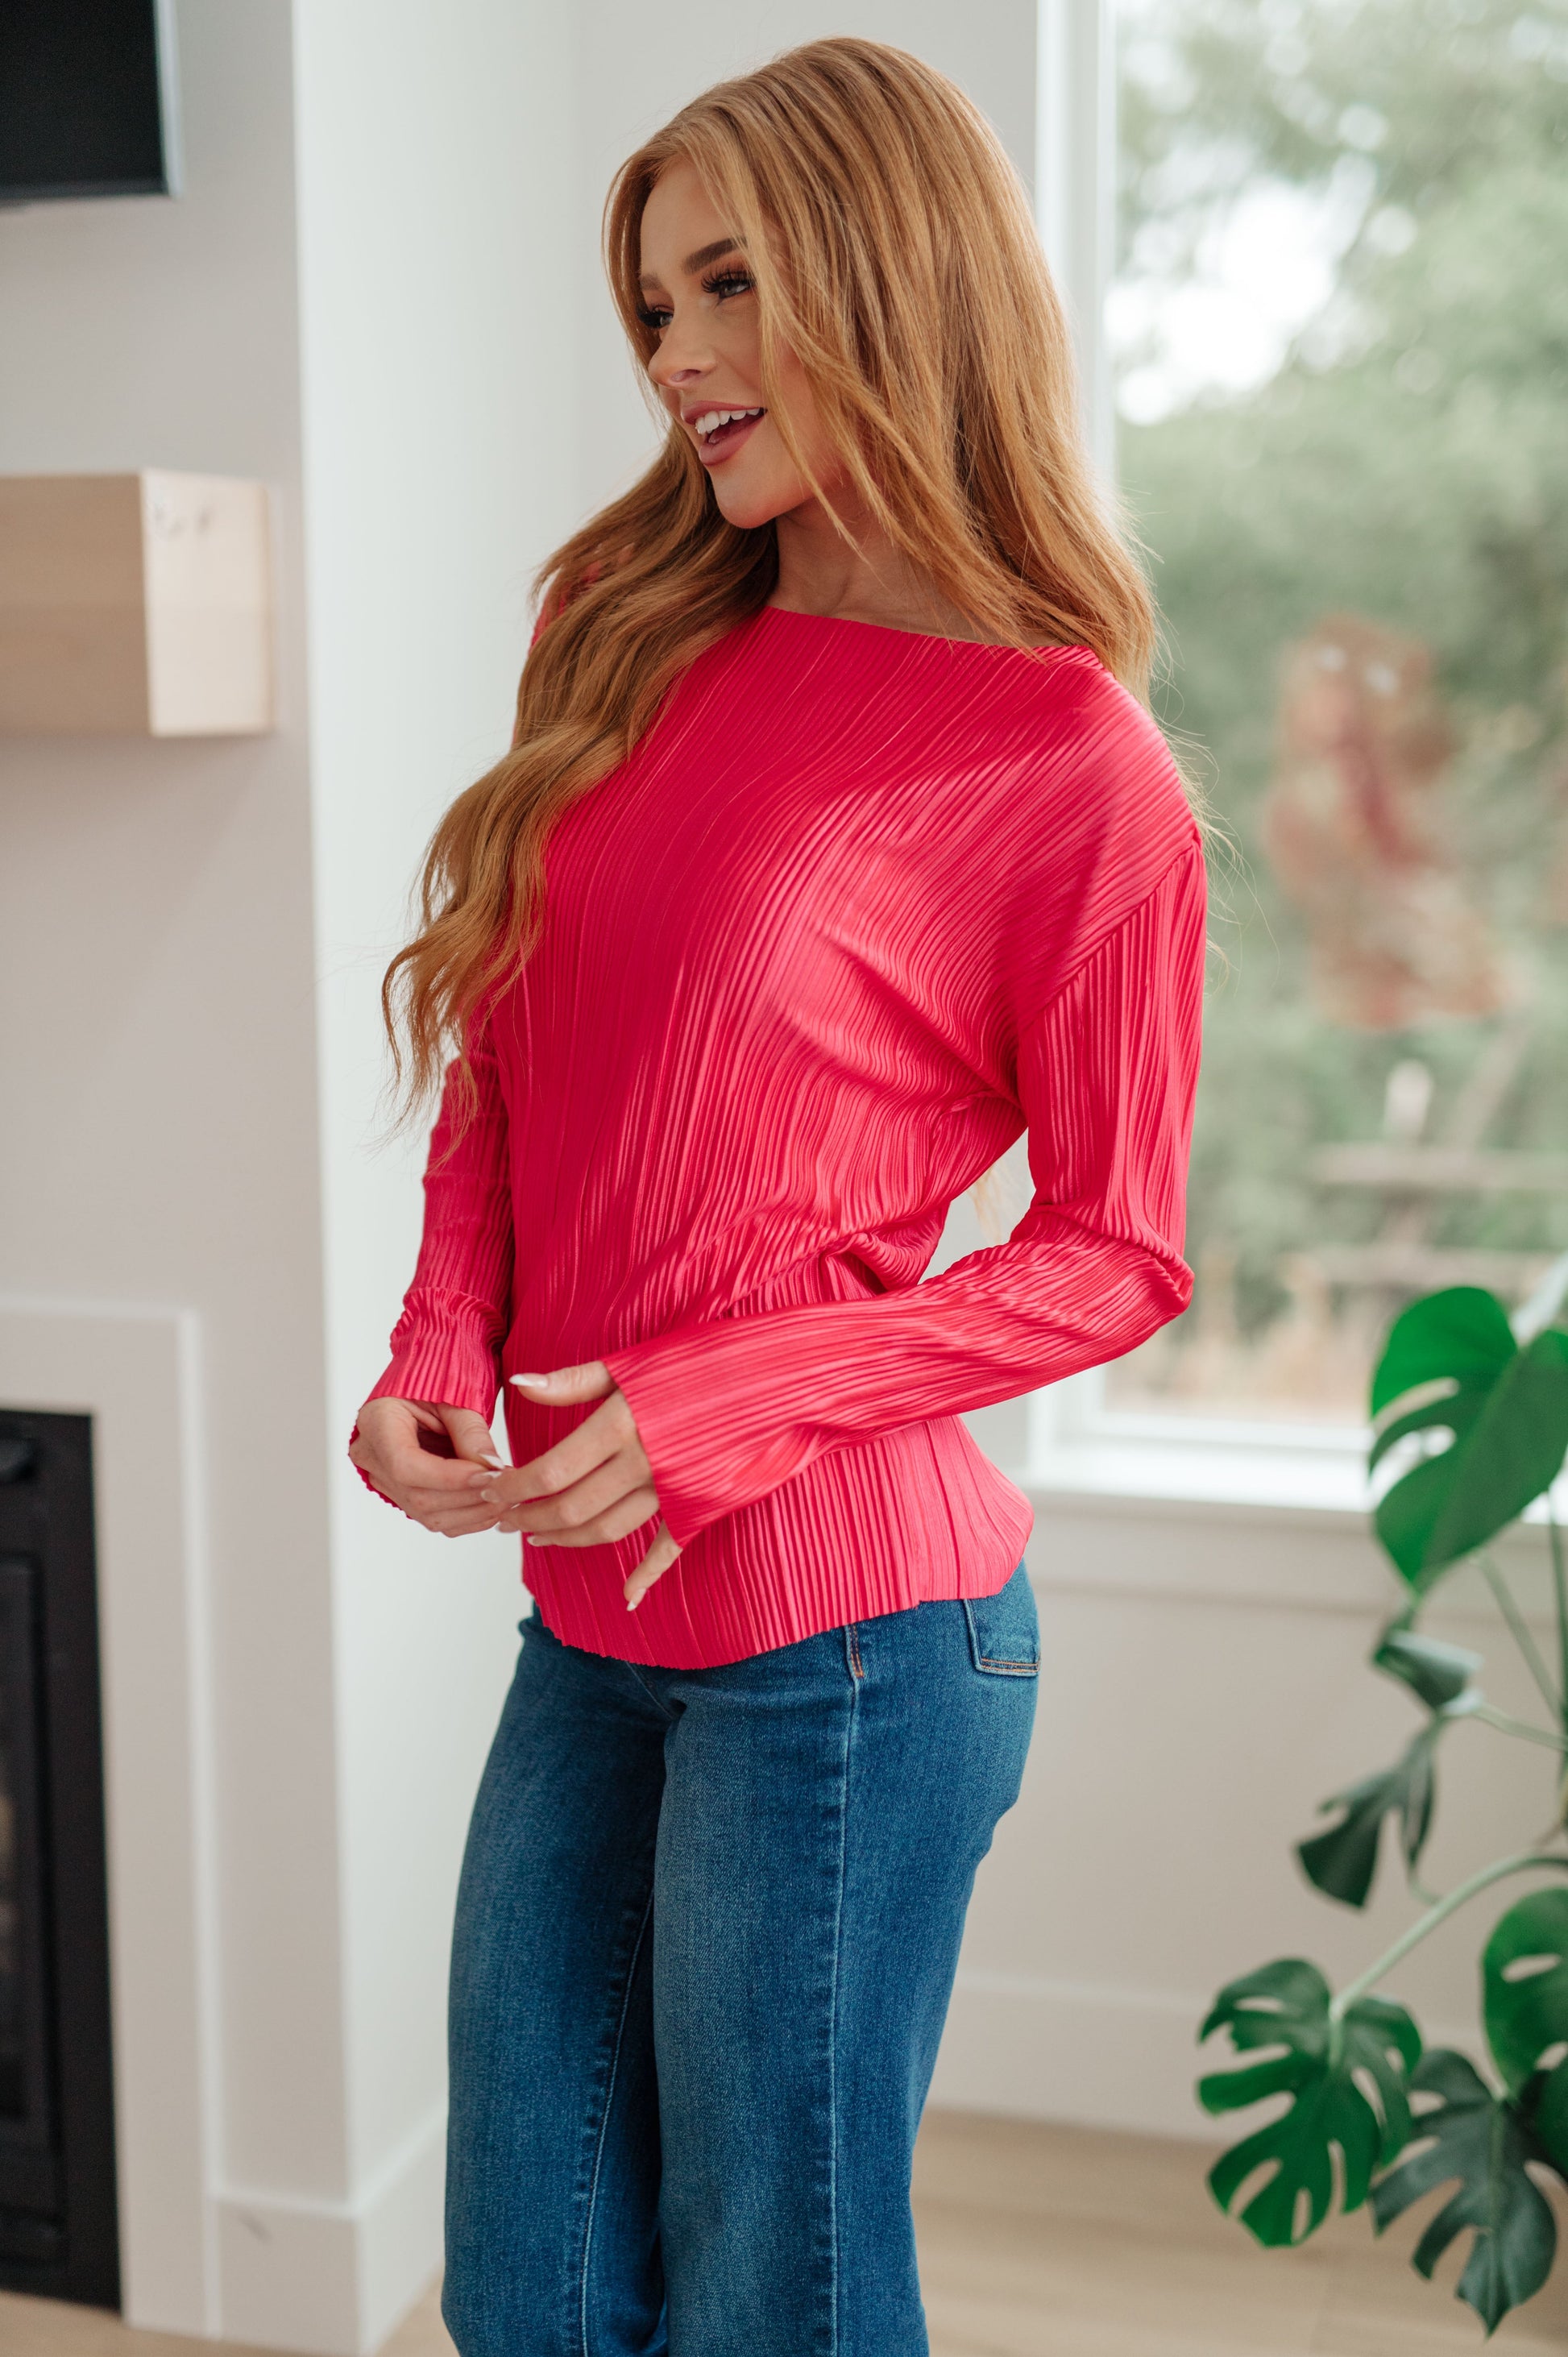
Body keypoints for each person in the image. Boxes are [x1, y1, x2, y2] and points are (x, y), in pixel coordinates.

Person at [349, 35, 1204, 2357]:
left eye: (729, 284)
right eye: (650, 307)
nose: (681, 358)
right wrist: (438, 1346)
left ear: (892, 269)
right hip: (596, 1619)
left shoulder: (1069, 764)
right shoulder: (621, 619)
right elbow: (514, 1045)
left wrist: (738, 1391)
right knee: (522, 2297)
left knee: (774, 2310)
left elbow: (1118, 1247)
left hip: (850, 1651)